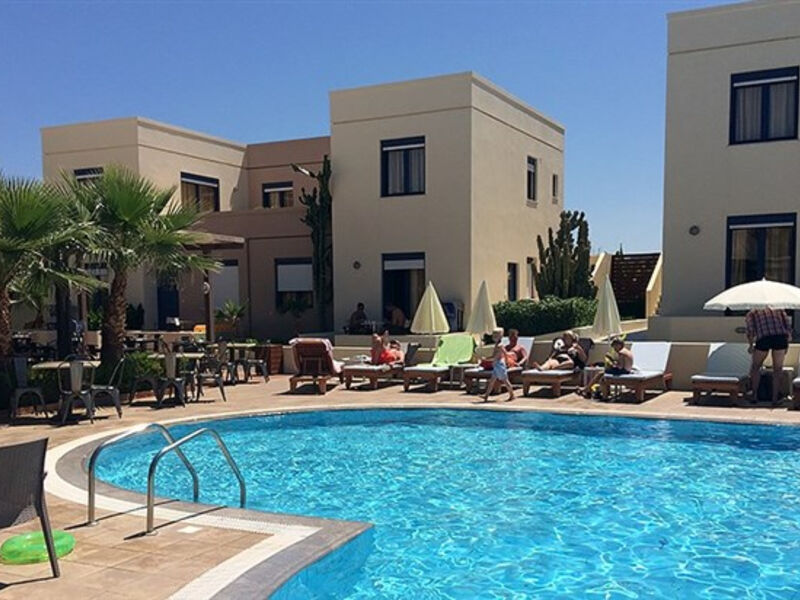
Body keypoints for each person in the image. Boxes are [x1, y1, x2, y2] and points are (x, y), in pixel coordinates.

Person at [746, 306, 791, 406]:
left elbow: (750, 331)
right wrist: (787, 342)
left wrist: (751, 345)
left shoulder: (752, 312)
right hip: (780, 337)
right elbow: (787, 324)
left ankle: (754, 395)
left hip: (764, 337)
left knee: (756, 367)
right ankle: (775, 399)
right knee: (777, 369)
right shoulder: (778, 308)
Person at [483, 328, 515, 402]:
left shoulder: (499, 346)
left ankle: (512, 395)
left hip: (499, 365)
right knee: (492, 381)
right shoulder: (498, 345)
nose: (494, 337)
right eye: (493, 335)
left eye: (496, 336)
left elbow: (495, 356)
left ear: (500, 337)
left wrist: (485, 359)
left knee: (505, 381)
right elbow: (505, 353)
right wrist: (506, 360)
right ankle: (486, 396)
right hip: (497, 365)